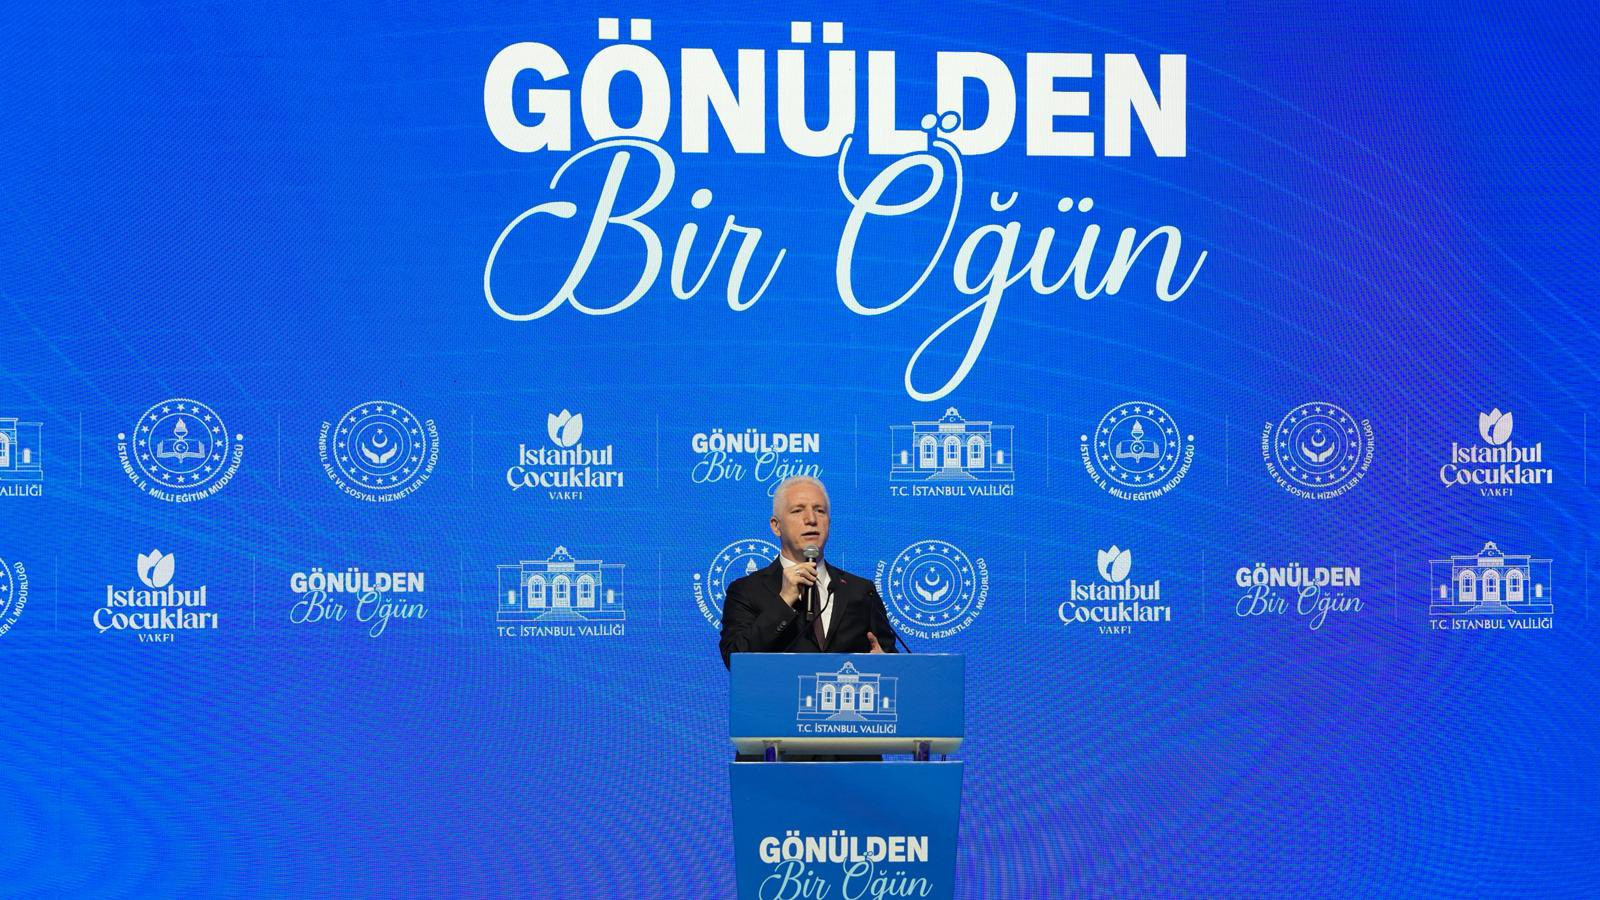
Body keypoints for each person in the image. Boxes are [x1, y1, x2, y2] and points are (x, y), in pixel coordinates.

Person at [719, 475, 898, 668]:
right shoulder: (746, 590)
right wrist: (784, 601)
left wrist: (886, 665)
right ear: (776, 526)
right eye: (797, 510)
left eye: (820, 511)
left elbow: (891, 661)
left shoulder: (861, 591)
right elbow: (734, 660)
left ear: (829, 522)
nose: (811, 519)